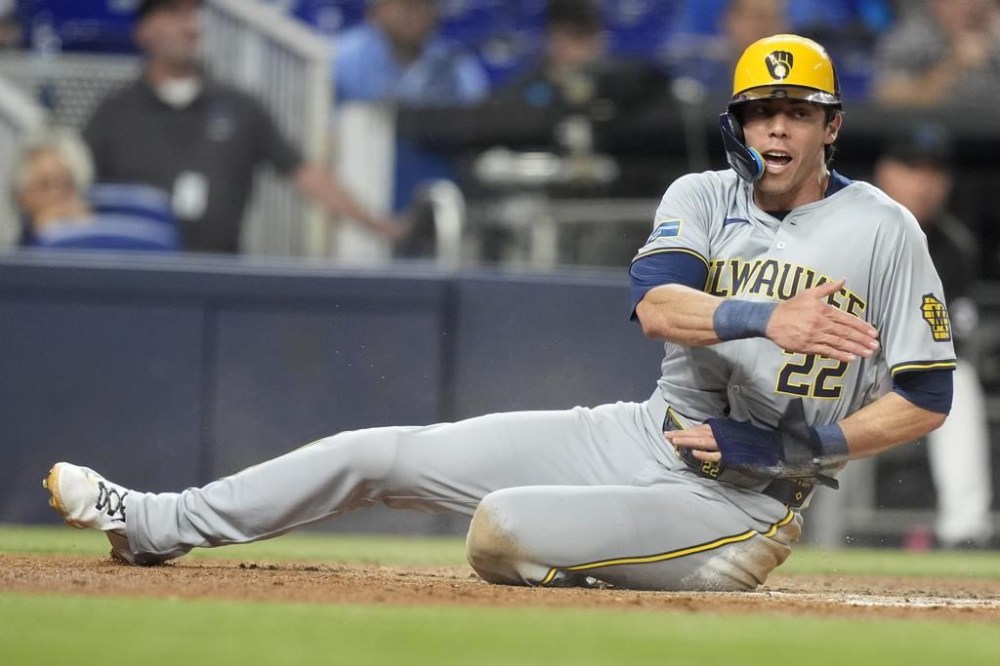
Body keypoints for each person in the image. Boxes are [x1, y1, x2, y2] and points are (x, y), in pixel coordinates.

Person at [44, 34, 956, 591]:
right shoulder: (704, 194)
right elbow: (655, 307)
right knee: (377, 451)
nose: (778, 131)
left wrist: (804, 449)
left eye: (799, 112)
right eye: (763, 112)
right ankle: (156, 522)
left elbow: (925, 395)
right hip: (645, 433)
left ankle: (676, 568)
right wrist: (766, 316)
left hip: (749, 497)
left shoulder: (881, 229)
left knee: (502, 530)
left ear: (832, 124)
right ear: (740, 121)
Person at [83, 0, 402, 254]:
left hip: (219, 277)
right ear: (144, 30)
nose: (190, 26)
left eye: (194, 12)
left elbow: (304, 173)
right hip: (138, 280)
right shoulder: (114, 111)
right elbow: (77, 184)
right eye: (173, 12)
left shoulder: (239, 106)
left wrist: (375, 224)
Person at [873, 122, 994, 548]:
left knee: (957, 382)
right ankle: (786, 518)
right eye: (912, 169)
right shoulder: (847, 221)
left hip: (907, 368)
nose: (924, 183)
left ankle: (964, 532)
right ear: (885, 172)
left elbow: (950, 342)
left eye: (934, 172)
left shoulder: (953, 247)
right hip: (844, 363)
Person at [14, 128, 180, 251]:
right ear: (22, 197)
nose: (58, 194)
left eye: (67, 184)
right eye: (44, 185)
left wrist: (82, 230)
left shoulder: (115, 241)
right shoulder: (15, 252)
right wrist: (42, 237)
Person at [332, 0, 489, 108]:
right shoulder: (341, 56)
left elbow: (476, 118)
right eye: (405, 4)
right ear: (377, 11)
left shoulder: (454, 63)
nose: (414, 14)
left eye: (424, 4)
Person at [871, 0, 1000, 107]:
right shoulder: (911, 39)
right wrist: (954, 66)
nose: (973, 8)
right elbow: (889, 102)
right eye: (960, 3)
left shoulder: (994, 38)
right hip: (929, 132)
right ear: (937, 6)